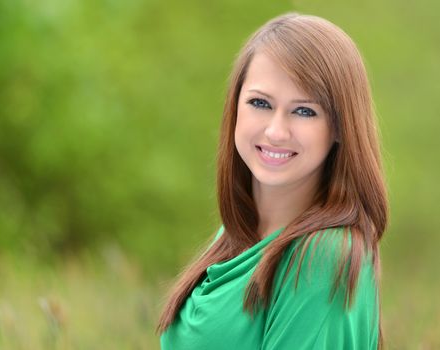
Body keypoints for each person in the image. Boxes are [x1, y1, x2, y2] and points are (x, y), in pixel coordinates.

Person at [156, 12, 388, 350]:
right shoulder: (237, 232)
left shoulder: (323, 257)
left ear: (340, 127)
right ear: (235, 107)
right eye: (260, 103)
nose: (276, 131)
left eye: (304, 111)